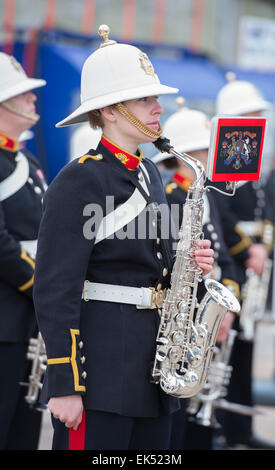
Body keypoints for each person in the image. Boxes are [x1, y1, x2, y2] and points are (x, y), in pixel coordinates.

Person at [33, 25, 215, 451]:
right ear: (111, 111)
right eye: (146, 99)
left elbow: (160, 263)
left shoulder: (150, 172)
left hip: (153, 373)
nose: (158, 109)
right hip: (100, 375)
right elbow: (54, 288)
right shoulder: (79, 179)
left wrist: (193, 262)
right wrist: (65, 382)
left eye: (156, 100)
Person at [152, 100, 240, 450]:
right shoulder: (171, 197)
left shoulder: (207, 196)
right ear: (190, 152)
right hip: (184, 318)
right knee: (175, 413)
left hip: (205, 315)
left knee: (192, 403)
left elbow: (224, 257)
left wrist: (224, 308)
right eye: (207, 148)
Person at [211, 74, 274, 449]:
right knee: (224, 345)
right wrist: (244, 247)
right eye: (250, 113)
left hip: (257, 267)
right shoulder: (230, 152)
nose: (257, 119)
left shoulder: (261, 156)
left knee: (246, 344)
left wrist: (264, 249)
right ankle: (217, 424)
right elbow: (220, 210)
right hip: (235, 262)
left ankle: (238, 428)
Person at [0, 52, 47, 449]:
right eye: (23, 94)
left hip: (27, 318)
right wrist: (40, 284)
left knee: (24, 427)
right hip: (5, 313)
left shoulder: (24, 160)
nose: (33, 100)